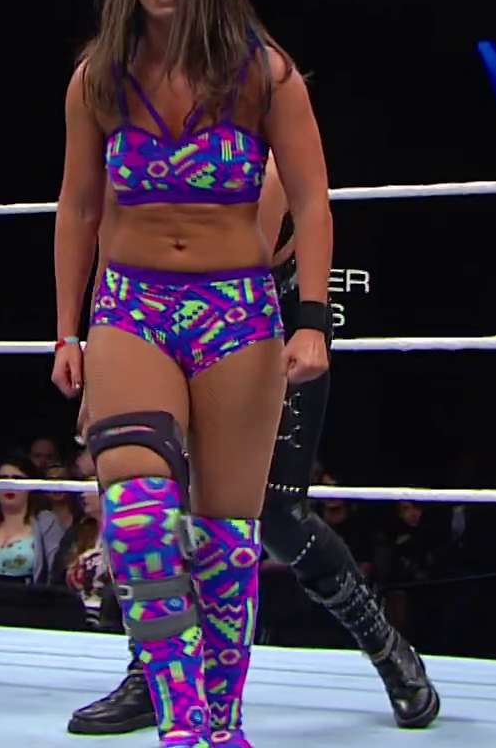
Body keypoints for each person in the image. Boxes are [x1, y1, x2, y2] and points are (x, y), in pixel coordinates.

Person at [52, 0, 332, 747]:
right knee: (137, 521)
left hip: (236, 310)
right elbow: (77, 209)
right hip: (131, 306)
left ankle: (223, 724)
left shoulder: (263, 72)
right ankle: (181, 720)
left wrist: (311, 320)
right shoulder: (99, 78)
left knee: (224, 538)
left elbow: (312, 200)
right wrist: (66, 330)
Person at [67, 158, 441, 734]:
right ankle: (152, 672)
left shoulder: (256, 149)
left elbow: (243, 260)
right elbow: (112, 237)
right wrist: (101, 355)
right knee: (147, 493)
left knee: (275, 515)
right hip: (149, 313)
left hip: (259, 316)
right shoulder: (138, 137)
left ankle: (387, 648)